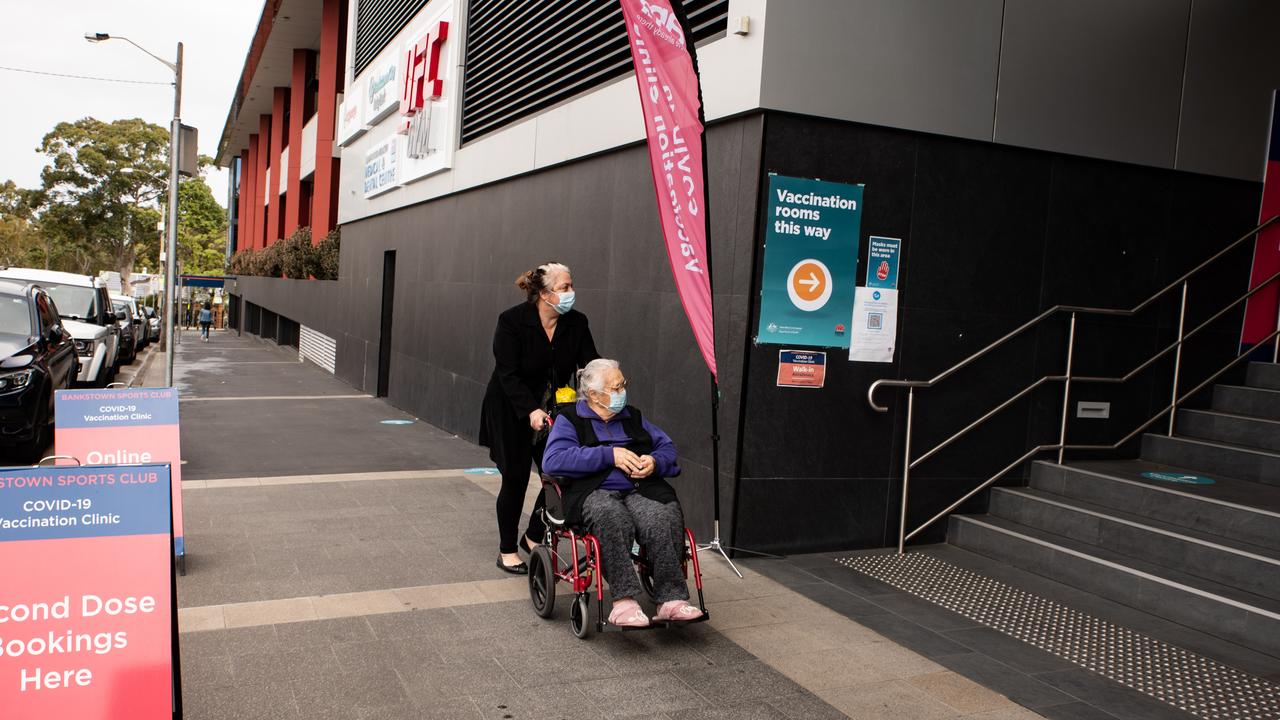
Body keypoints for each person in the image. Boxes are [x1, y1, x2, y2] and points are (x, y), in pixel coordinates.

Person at [542, 359, 704, 627]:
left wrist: (654, 462)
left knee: (662, 514)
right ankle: (624, 602)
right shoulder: (570, 419)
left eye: (623, 385)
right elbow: (554, 460)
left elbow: (666, 447)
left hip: (641, 487)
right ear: (593, 394)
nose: (622, 392)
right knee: (611, 517)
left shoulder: (633, 416)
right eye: (616, 387)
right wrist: (609, 455)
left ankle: (671, 599)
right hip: (595, 491)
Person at [479, 262, 599, 575]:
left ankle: (532, 536)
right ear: (544, 295)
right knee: (516, 477)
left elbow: (589, 363)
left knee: (560, 474)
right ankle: (507, 551)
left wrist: (601, 383)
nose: (571, 293)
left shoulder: (576, 323)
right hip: (511, 409)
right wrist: (530, 409)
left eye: (571, 285)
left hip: (554, 412)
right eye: (564, 287)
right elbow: (507, 373)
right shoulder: (512, 321)